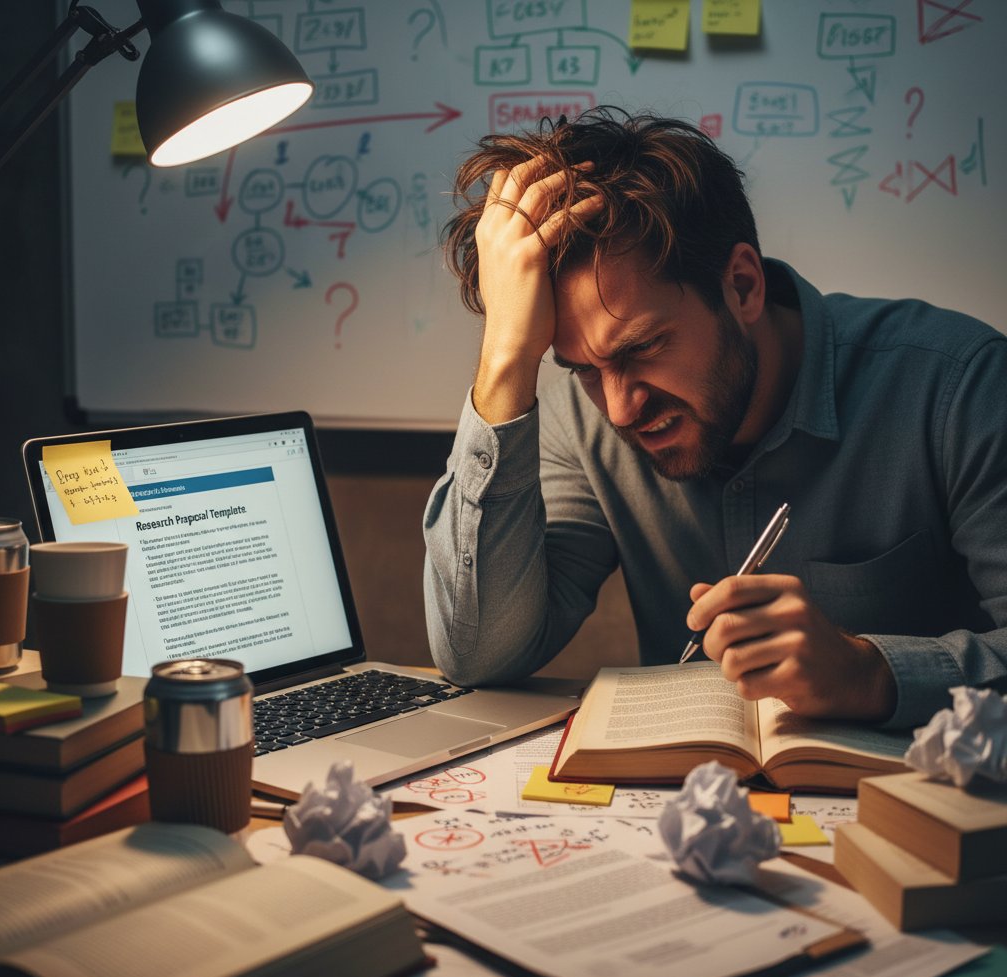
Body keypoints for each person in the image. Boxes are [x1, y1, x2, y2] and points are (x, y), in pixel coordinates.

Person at [422, 107, 1007, 729]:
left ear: (743, 285)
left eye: (643, 349)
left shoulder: (958, 387)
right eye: (583, 369)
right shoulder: (579, 419)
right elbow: (477, 655)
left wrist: (867, 673)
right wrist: (506, 360)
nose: (620, 409)